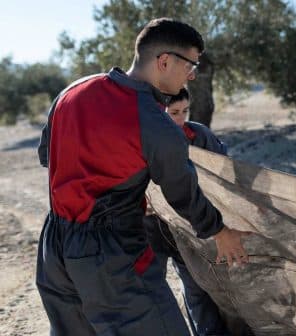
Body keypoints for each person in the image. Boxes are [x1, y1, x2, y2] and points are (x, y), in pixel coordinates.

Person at [36, 18, 249, 336]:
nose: (192, 74)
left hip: (55, 248)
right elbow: (183, 195)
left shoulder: (72, 92)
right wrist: (220, 232)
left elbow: (46, 155)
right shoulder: (154, 123)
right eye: (191, 64)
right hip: (112, 252)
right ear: (164, 61)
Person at [144, 87, 230, 336]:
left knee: (197, 286)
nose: (180, 119)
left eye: (185, 111)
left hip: (191, 226)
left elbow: (224, 172)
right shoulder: (142, 139)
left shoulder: (199, 135)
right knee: (151, 291)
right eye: (173, 113)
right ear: (159, 112)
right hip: (150, 229)